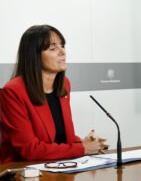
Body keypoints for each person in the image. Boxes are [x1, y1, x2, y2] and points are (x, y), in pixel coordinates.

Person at [0, 25, 108, 164]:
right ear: (34, 55)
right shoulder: (13, 91)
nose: (62, 52)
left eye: (62, 46)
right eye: (53, 48)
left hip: (57, 168)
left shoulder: (64, 85)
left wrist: (84, 143)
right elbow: (29, 149)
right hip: (23, 175)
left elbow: (60, 136)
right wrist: (82, 148)